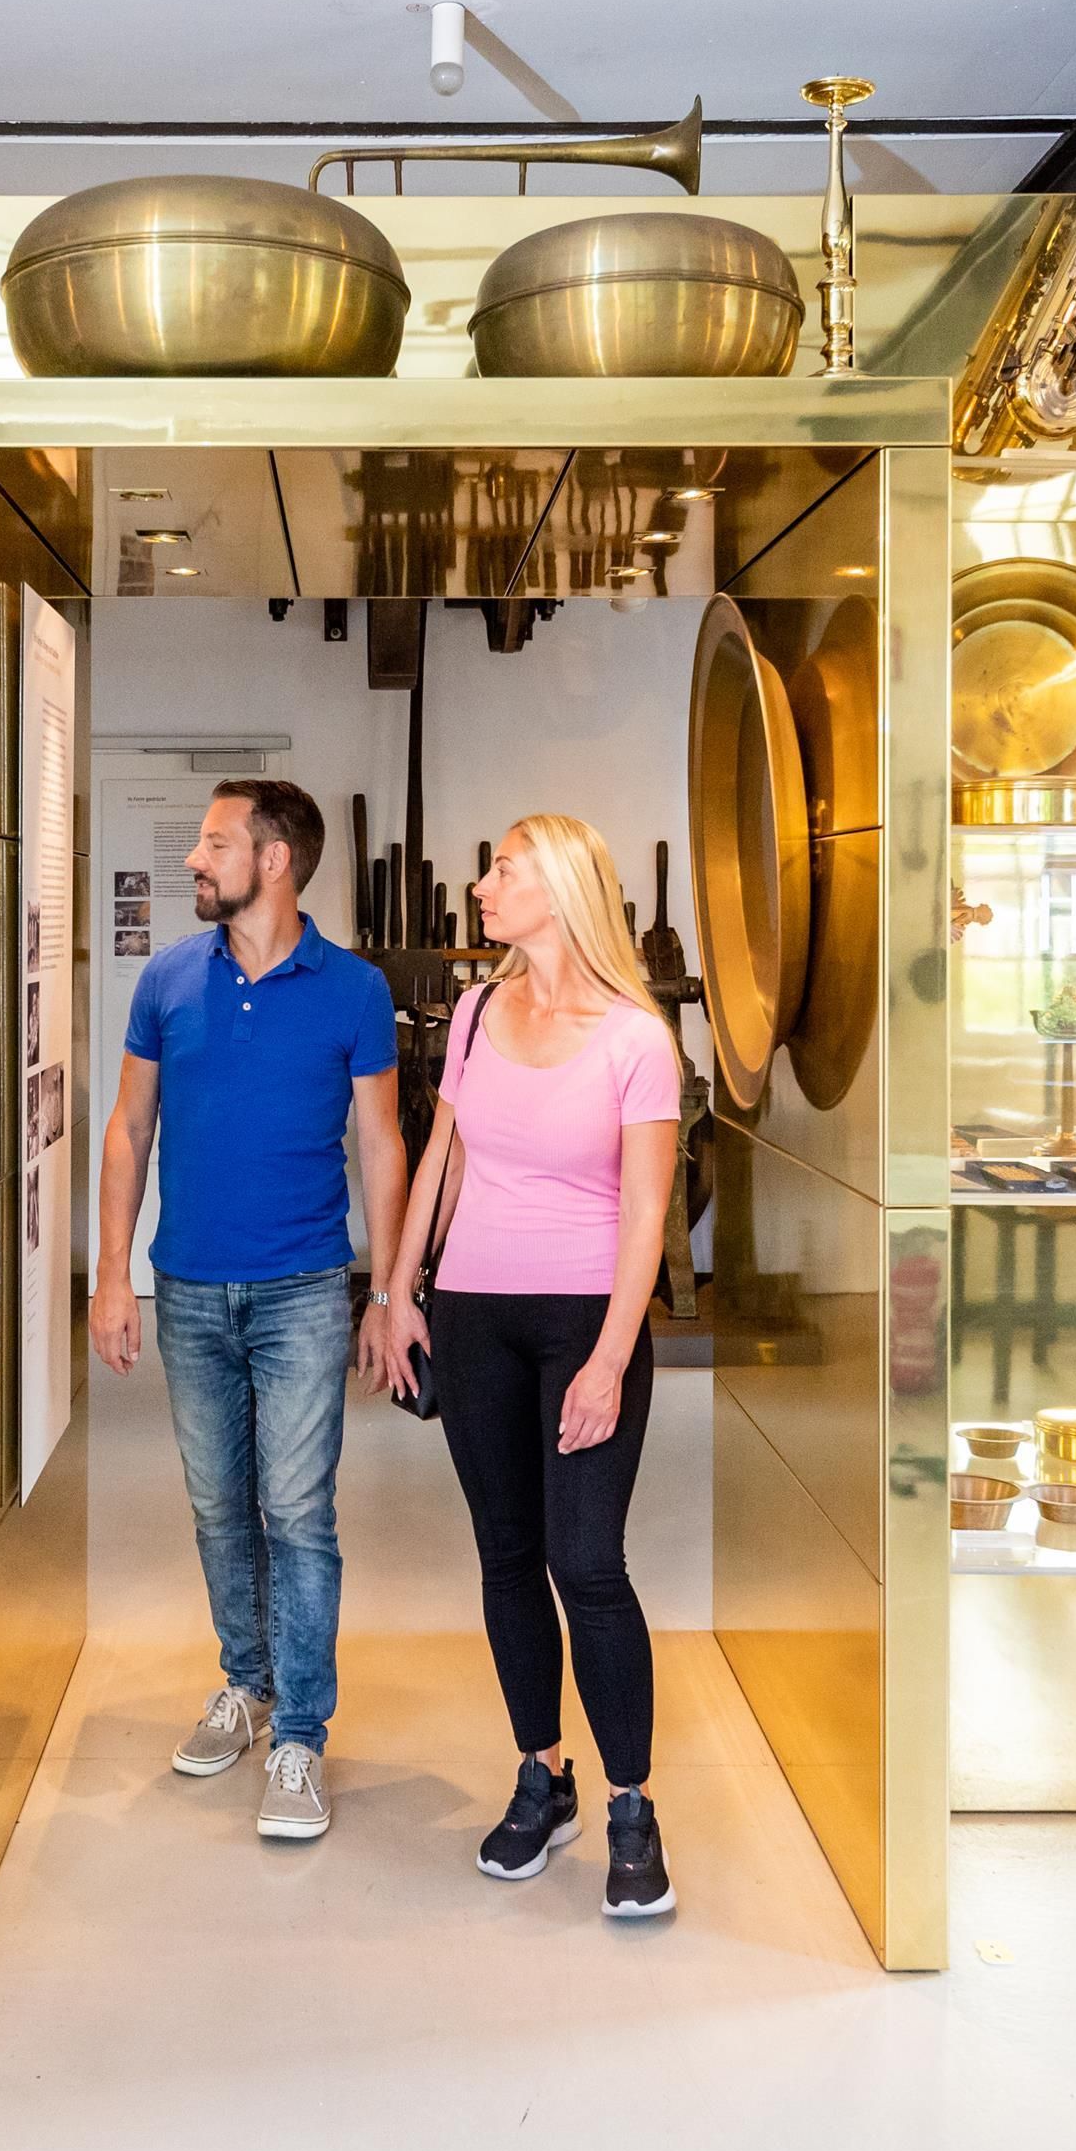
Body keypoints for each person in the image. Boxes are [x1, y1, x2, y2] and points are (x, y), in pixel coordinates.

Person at [368, 814, 685, 1919]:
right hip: (473, 1317)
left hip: (585, 1323)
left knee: (586, 1563)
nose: (483, 885)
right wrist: (398, 1292)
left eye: (502, 869)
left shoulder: (637, 1040)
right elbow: (443, 1158)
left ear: (558, 887)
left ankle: (632, 1804)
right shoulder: (475, 1013)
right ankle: (542, 1776)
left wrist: (609, 1359)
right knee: (507, 1555)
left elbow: (646, 1213)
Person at [90, 780, 407, 1844]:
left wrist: (387, 1291)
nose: (194, 858)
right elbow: (128, 1129)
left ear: (274, 860)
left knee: (297, 1512)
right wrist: (111, 1274)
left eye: (215, 842)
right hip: (186, 1287)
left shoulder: (354, 990)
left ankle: (300, 1734)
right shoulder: (168, 979)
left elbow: (381, 1146)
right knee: (219, 1507)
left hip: (304, 1291)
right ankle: (248, 1681)